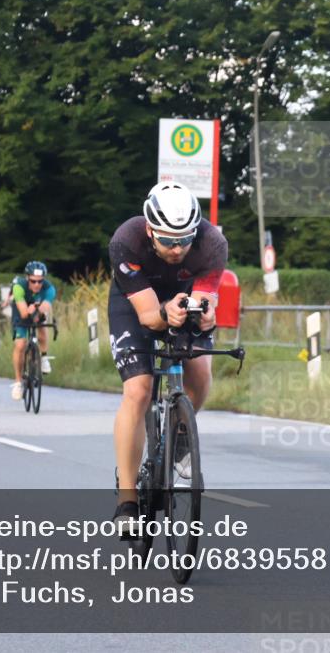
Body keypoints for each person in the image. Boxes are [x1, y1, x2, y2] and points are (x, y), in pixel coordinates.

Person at [108, 182, 227, 529]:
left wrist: (205, 315)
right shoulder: (126, 241)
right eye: (168, 241)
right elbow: (148, 316)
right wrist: (164, 313)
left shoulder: (212, 243)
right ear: (150, 230)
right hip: (136, 305)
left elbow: (205, 300)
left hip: (184, 300)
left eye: (185, 240)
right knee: (139, 390)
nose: (177, 249)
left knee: (200, 373)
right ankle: (127, 499)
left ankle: (179, 438)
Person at [9, 261, 56, 400]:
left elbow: (45, 307)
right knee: (20, 345)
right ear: (27, 278)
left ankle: (44, 357)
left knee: (42, 324)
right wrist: (31, 309)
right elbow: (24, 313)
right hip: (20, 312)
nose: (37, 285)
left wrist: (38, 310)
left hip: (37, 311)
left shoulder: (49, 289)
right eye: (33, 281)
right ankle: (18, 382)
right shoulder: (19, 287)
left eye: (40, 281)